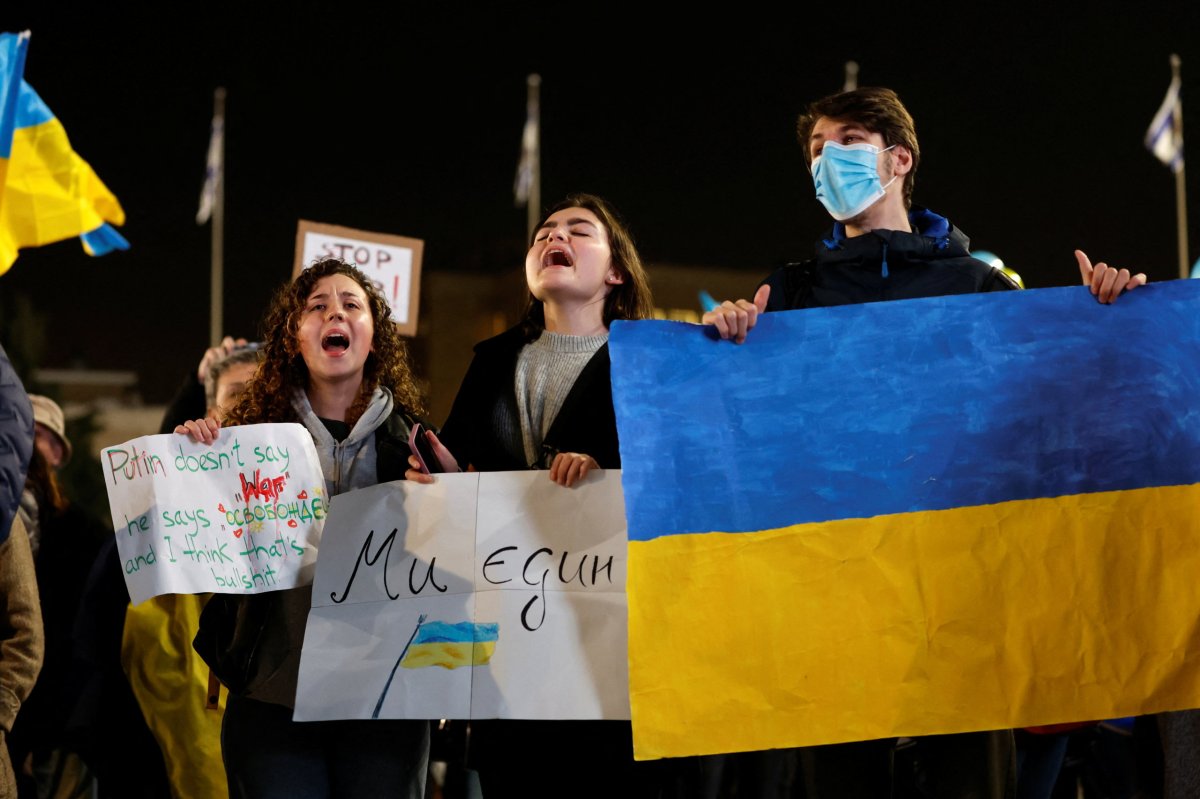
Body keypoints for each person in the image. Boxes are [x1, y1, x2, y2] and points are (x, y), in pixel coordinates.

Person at [701, 87, 1146, 799]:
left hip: (960, 596)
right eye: (817, 150)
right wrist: (722, 348)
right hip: (837, 595)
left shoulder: (976, 286)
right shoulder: (788, 294)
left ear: (899, 159)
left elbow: (1056, 402)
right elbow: (738, 431)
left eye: (845, 141)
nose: (826, 160)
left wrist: (1105, 316)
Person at [406, 194, 663, 797]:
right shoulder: (491, 362)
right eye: (545, 232)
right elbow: (461, 470)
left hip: (611, 645)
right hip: (509, 643)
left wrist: (608, 467)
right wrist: (436, 481)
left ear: (617, 271)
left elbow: (679, 471)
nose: (556, 237)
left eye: (580, 231)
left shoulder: (647, 362)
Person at [177, 258, 429, 799]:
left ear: (374, 340)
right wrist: (194, 460)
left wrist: (452, 495)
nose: (334, 311)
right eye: (317, 306)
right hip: (273, 696)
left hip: (385, 699)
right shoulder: (243, 438)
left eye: (351, 304)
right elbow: (196, 545)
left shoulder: (420, 444)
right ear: (293, 339)